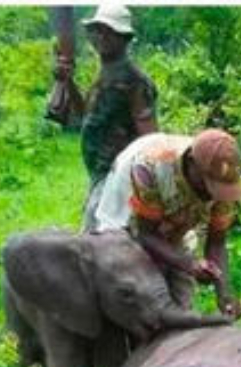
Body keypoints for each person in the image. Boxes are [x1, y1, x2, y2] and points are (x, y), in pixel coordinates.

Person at [91, 128, 241, 318]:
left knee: (181, 296)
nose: (213, 195)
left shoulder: (224, 179)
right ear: (191, 163)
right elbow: (145, 233)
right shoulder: (149, 166)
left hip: (175, 218)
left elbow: (217, 241)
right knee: (121, 281)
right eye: (208, 184)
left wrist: (224, 293)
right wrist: (188, 264)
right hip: (129, 203)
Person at [77, 4, 159, 228]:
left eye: (108, 31)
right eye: (97, 30)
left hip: (117, 179)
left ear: (124, 38)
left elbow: (149, 140)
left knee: (97, 245)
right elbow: (83, 118)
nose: (100, 36)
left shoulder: (135, 82)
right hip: (99, 177)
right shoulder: (104, 75)